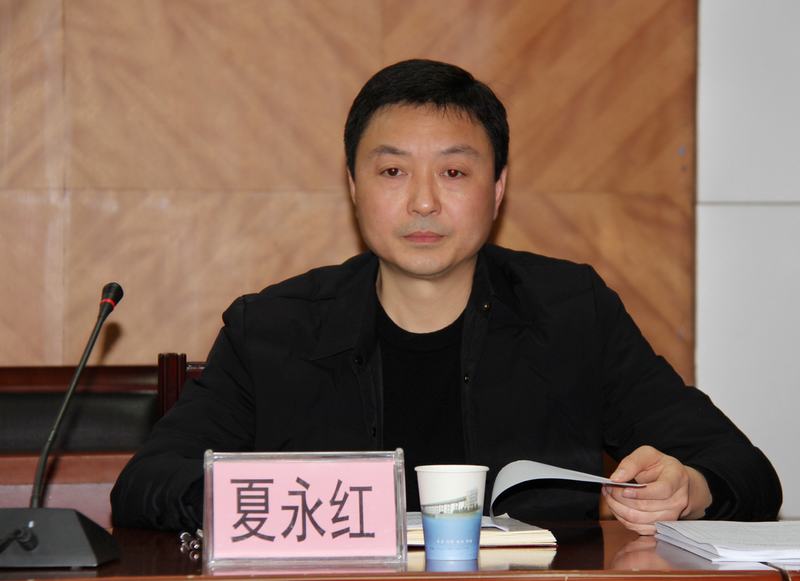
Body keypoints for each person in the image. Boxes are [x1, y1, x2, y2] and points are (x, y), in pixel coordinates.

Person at [111, 59, 781, 535]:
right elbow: (146, 483)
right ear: (354, 186)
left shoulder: (571, 311)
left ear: (498, 188)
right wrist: (291, 503)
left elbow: (746, 471)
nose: (424, 201)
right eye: (393, 170)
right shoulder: (272, 328)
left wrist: (688, 489)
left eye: (455, 171)